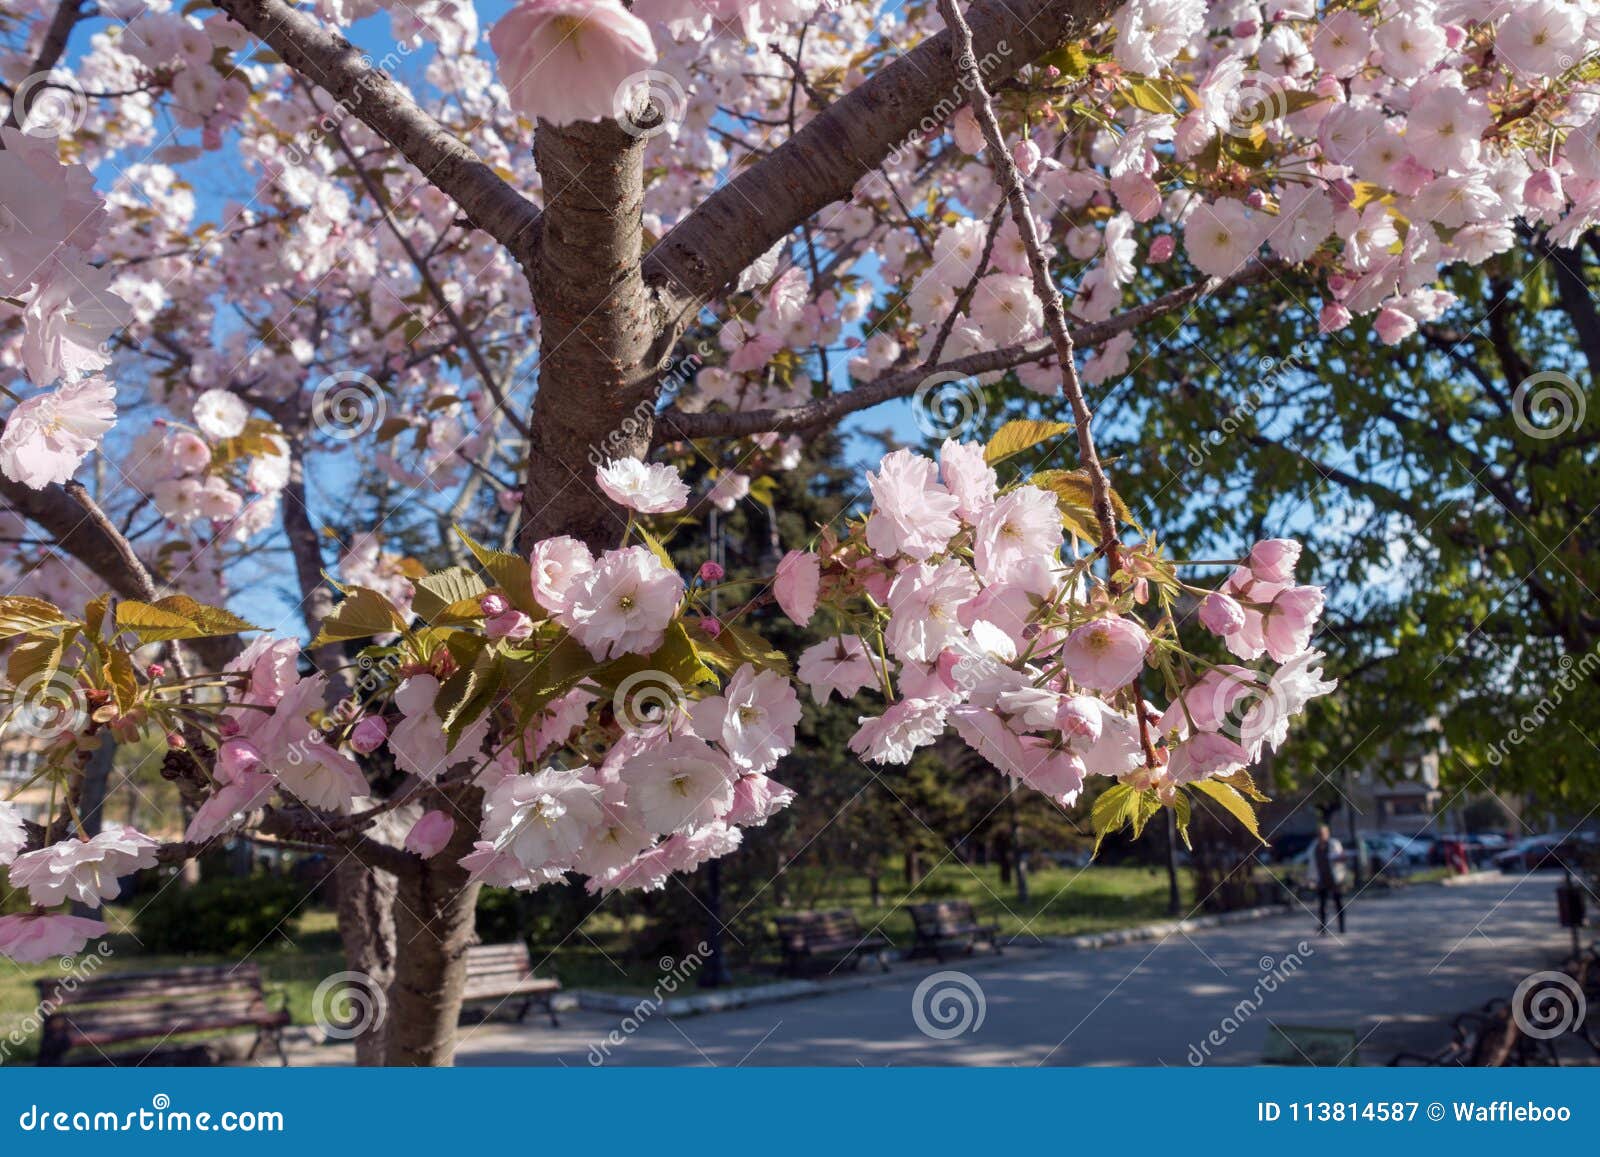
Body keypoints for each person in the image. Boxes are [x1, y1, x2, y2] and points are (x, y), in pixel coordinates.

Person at [1312, 824, 1347, 935]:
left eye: (1323, 834)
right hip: (1321, 879)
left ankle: (1342, 927)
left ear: (1327, 834)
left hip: (1334, 879)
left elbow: (1342, 858)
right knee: (1322, 905)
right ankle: (1323, 928)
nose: (1321, 836)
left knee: (1338, 904)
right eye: (1319, 834)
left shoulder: (1334, 844)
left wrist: (1338, 859)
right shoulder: (1315, 847)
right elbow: (1312, 864)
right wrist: (1311, 878)